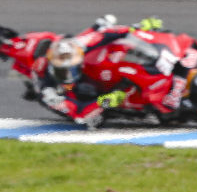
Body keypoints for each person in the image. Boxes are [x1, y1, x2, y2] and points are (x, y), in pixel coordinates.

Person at [33, 15, 166, 128]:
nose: (69, 76)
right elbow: (80, 115)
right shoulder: (50, 94)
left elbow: (106, 34)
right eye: (64, 72)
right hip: (72, 99)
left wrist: (136, 28)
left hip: (79, 60)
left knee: (102, 28)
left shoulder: (78, 47)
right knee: (92, 118)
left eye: (72, 70)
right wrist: (105, 101)